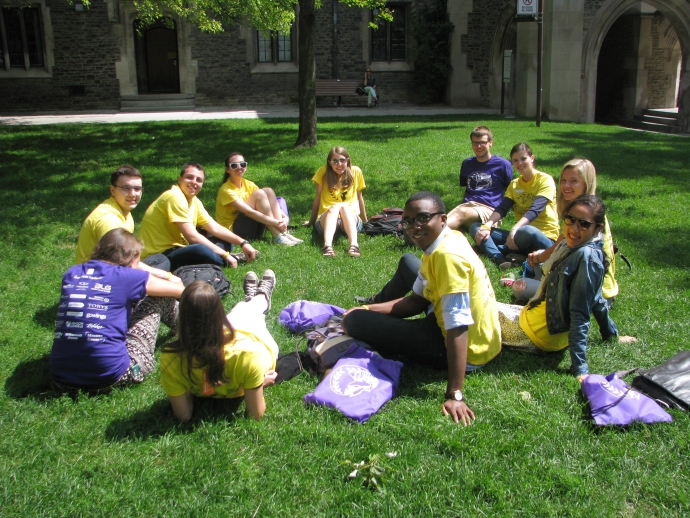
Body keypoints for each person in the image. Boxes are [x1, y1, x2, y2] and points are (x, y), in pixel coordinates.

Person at [342, 191, 502, 426]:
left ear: (443, 219)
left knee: (354, 322)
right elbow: (416, 301)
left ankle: (368, 320)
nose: (414, 227)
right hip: (477, 333)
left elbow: (457, 325)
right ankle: (374, 304)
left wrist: (454, 394)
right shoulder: (447, 239)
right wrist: (368, 308)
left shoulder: (447, 258)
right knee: (408, 261)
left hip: (463, 348)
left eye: (423, 218)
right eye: (408, 221)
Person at [496, 195, 635, 378]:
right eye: (570, 219)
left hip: (535, 333)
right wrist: (611, 335)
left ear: (598, 228)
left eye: (583, 224)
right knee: (485, 302)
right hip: (538, 321)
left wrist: (580, 369)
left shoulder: (585, 257)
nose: (574, 228)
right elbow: (598, 301)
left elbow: (580, 314)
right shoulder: (585, 248)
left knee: (473, 308)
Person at [50, 228, 184, 392]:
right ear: (132, 257)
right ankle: (189, 328)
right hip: (111, 375)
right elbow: (180, 290)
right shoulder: (128, 276)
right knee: (160, 297)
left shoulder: (72, 273)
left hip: (60, 377)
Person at [159, 270, 278, 422]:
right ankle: (262, 296)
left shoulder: (170, 357)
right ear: (219, 315)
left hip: (236, 342)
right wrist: (259, 382)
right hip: (260, 344)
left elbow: (183, 415)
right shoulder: (247, 354)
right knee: (247, 313)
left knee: (241, 312)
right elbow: (256, 414)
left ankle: (252, 297)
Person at [512, 158, 619, 307]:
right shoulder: (584, 209)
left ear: (586, 183)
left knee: (519, 285)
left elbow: (570, 263)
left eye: (574, 181)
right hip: (585, 285)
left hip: (590, 294)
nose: (566, 186)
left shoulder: (584, 217)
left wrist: (540, 261)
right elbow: (560, 245)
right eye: (563, 180)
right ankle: (539, 291)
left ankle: (538, 297)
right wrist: (538, 258)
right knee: (538, 263)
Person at [139, 163, 258, 272]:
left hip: (179, 248)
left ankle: (216, 258)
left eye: (199, 180)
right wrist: (225, 255)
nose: (194, 182)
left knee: (226, 239)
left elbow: (215, 228)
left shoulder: (194, 201)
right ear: (180, 180)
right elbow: (192, 237)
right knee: (200, 249)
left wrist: (243, 243)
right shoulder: (174, 196)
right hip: (159, 256)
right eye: (189, 177)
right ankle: (229, 259)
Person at [75, 165, 181, 283]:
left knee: (160, 260)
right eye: (126, 188)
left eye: (137, 189)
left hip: (114, 268)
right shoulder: (108, 220)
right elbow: (125, 265)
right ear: (112, 190)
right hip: (96, 281)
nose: (132, 194)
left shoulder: (124, 212)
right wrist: (168, 277)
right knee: (162, 277)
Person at [469, 142, 560, 269]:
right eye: (515, 160)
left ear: (532, 158)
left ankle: (493, 249)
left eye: (523, 158)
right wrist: (487, 225)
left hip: (544, 239)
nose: (519, 163)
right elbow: (502, 208)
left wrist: (514, 229)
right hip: (518, 237)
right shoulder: (515, 184)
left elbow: (535, 210)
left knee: (527, 230)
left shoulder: (545, 180)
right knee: (476, 227)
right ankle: (500, 259)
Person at [215, 152, 302, 247]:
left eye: (242, 164)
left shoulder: (248, 184)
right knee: (259, 193)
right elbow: (249, 212)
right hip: (235, 233)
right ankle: (277, 235)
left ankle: (284, 233)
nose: (239, 167)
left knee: (267, 191)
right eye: (234, 165)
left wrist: (284, 218)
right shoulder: (225, 190)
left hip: (253, 228)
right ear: (228, 170)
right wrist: (276, 222)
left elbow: (267, 204)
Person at [304, 146, 368, 257]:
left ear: (347, 160)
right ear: (329, 163)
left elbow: (360, 198)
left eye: (342, 160)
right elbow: (318, 197)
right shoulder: (322, 172)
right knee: (334, 208)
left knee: (343, 207)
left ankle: (354, 245)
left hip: (350, 219)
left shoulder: (356, 172)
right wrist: (311, 221)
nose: (339, 164)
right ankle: (327, 247)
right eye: (335, 161)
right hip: (327, 218)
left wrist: (365, 221)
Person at [446, 126, 513, 232]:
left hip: (490, 211)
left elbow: (510, 190)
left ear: (490, 142)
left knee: (460, 213)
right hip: (467, 206)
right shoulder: (467, 164)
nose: (478, 146)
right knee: (442, 220)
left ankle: (432, 236)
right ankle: (420, 236)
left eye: (482, 142)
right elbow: (466, 187)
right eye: (475, 143)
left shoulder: (503, 165)